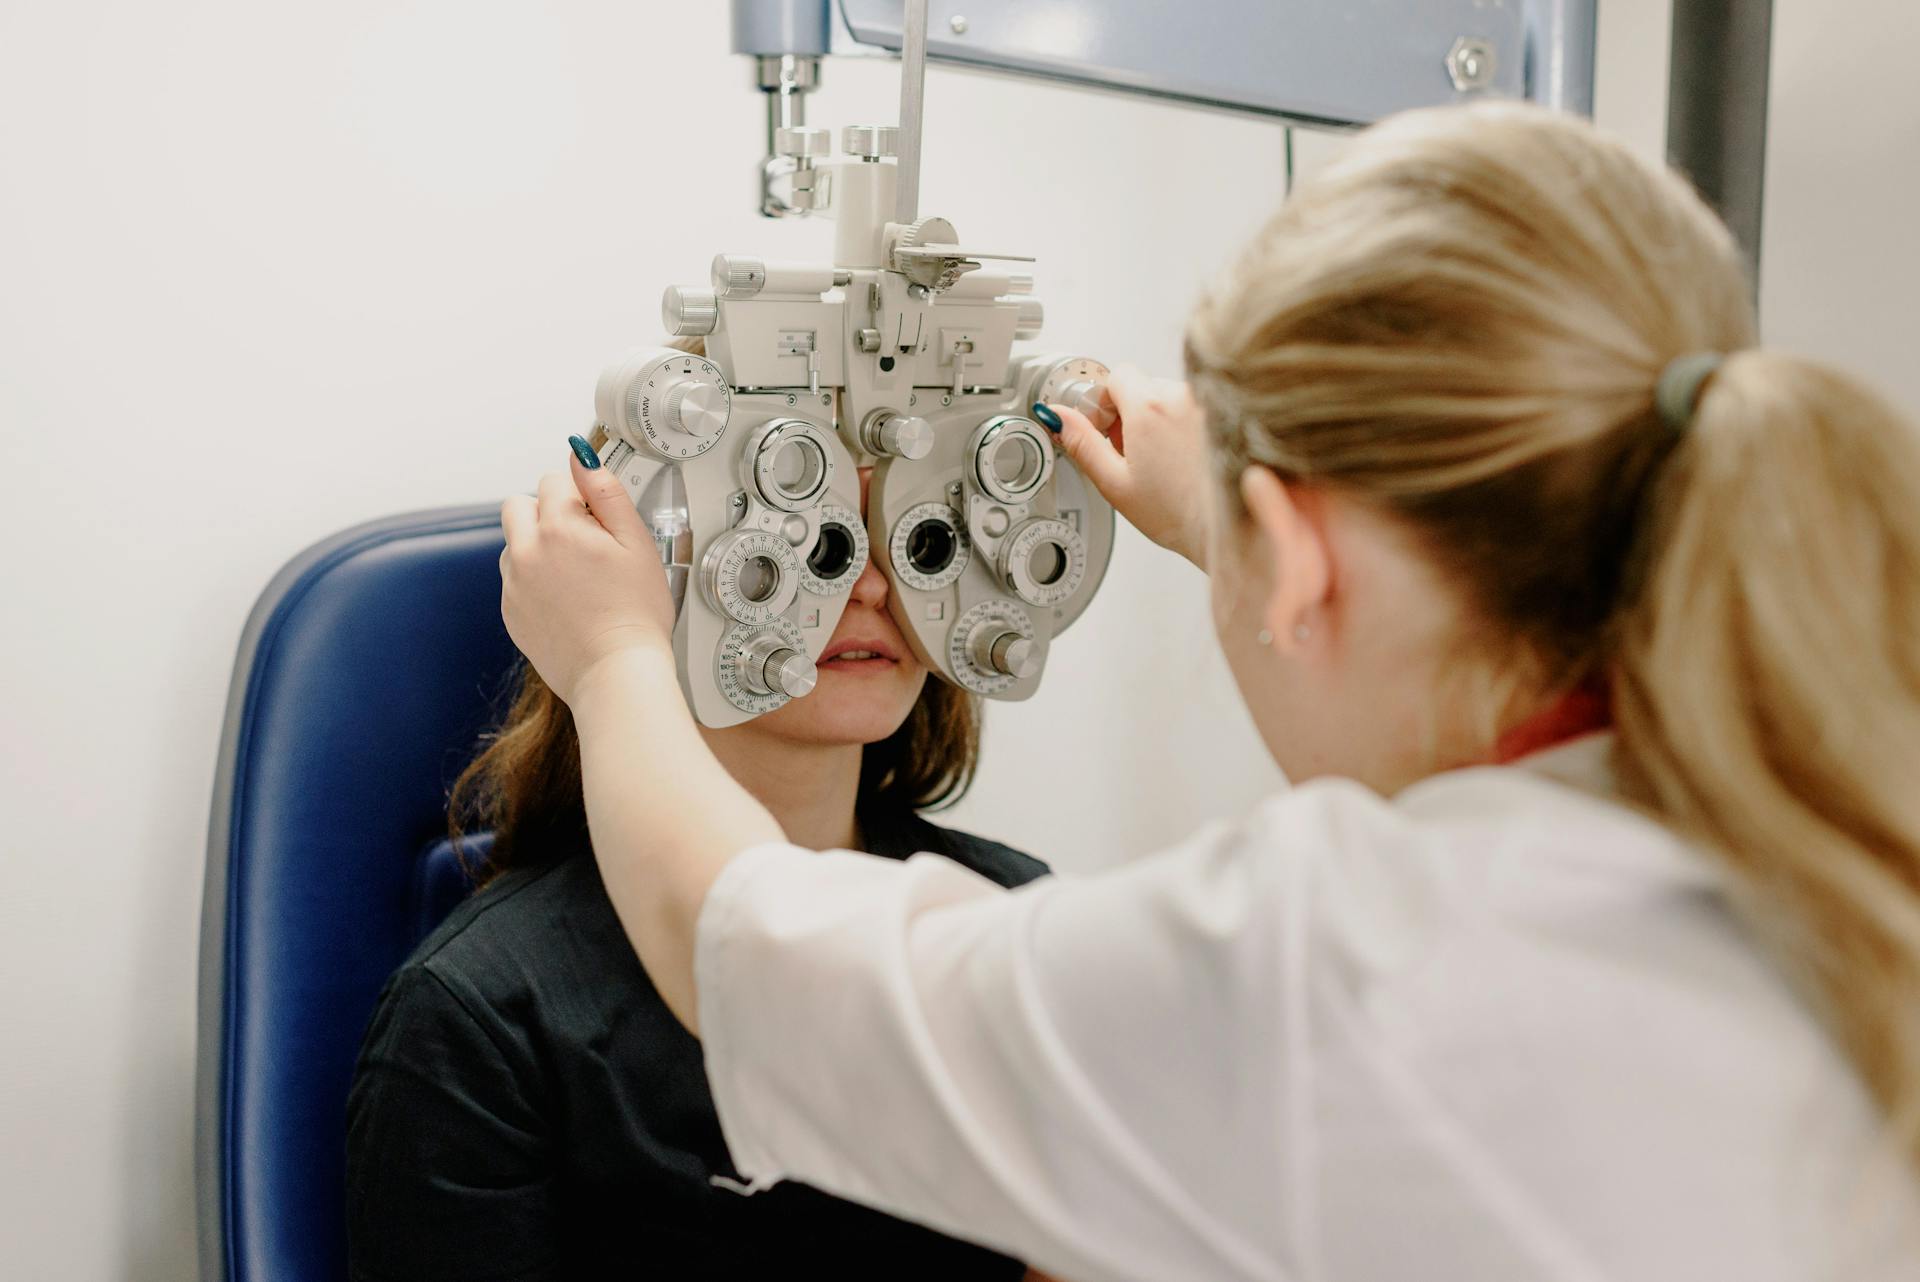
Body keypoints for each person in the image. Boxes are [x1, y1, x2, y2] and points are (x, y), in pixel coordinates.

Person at [496, 101, 1920, 1281]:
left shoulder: (1335, 973)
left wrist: (617, 660)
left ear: (1298, 557)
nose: (862, 581)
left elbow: (753, 954)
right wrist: (1231, 522)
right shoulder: (1833, 824)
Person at [345, 443, 1050, 1281]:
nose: (868, 586)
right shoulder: (482, 1020)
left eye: (911, 539)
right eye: (809, 541)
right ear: (654, 571)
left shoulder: (1012, 913)